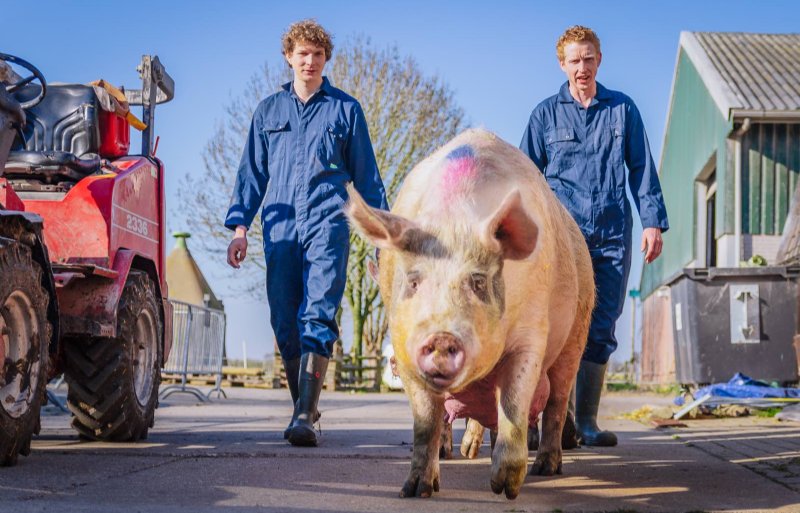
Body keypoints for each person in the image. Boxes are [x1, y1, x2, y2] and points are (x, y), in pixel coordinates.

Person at [224, 20, 388, 447]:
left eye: (317, 54)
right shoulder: (268, 112)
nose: (310, 61)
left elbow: (368, 180)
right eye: (303, 54)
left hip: (328, 225)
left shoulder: (345, 110)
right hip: (279, 228)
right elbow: (251, 175)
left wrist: (382, 238)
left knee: (317, 312)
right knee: (283, 319)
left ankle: (302, 416)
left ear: (325, 59)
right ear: (289, 57)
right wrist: (240, 229)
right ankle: (306, 407)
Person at [520, 26, 668, 447]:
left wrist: (652, 221)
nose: (582, 68)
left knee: (601, 326)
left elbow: (641, 170)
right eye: (574, 60)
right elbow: (526, 177)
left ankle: (584, 422)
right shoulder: (545, 115)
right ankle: (552, 421)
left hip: (610, 236)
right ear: (562, 64)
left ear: (599, 60)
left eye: (588, 59)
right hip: (561, 242)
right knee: (553, 326)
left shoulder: (623, 110)